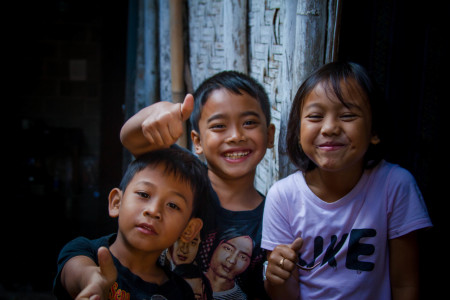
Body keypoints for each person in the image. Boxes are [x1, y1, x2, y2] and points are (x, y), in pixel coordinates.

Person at [261, 61, 432, 300]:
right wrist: (277, 275)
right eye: (315, 116)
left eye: (348, 115)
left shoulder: (395, 186)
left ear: (374, 131)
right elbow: (284, 296)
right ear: (299, 133)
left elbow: (405, 285)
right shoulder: (282, 196)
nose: (330, 128)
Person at [120, 70, 275, 299]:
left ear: (270, 135)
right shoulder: (183, 181)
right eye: (219, 126)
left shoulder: (272, 216)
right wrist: (156, 112)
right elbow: (132, 139)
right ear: (197, 141)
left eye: (249, 122)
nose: (235, 136)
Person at [53, 147, 210, 300]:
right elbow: (77, 273)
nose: (153, 210)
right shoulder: (85, 251)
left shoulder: (181, 293)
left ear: (189, 229)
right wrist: (93, 281)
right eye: (144, 194)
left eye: (173, 205)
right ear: (116, 203)